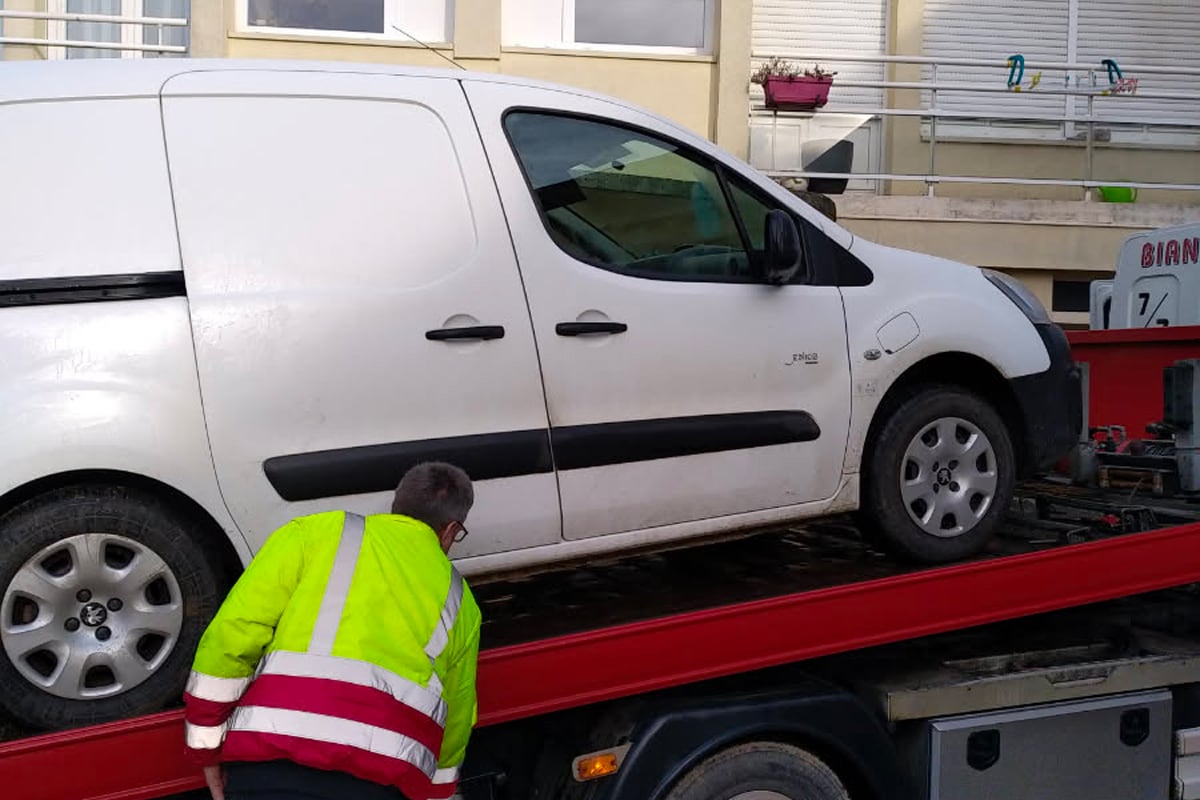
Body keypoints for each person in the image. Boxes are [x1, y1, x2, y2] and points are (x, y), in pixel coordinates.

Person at [182, 462, 482, 800]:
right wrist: (437, 792)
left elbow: (232, 637)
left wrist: (206, 749)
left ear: (396, 506)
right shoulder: (460, 600)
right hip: (377, 783)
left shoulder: (314, 533)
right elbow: (455, 716)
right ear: (450, 530)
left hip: (270, 765)